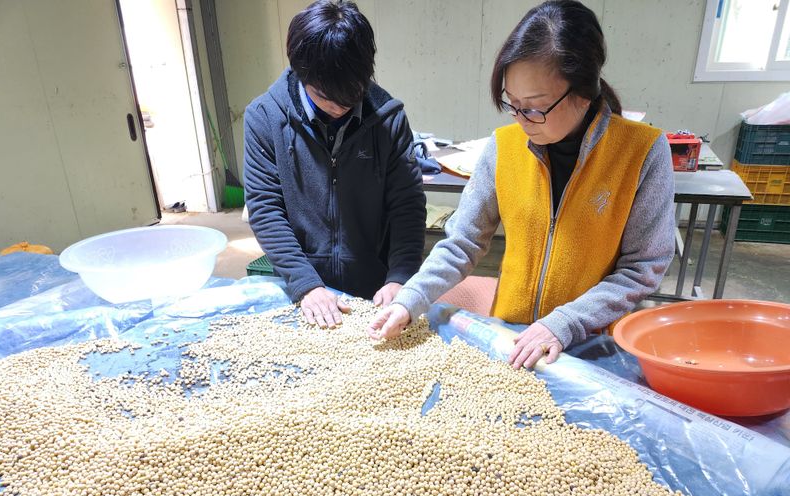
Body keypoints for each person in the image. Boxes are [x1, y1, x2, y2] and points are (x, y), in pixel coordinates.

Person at [369, 0, 675, 369]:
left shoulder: (641, 151)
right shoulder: (503, 147)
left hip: (589, 345)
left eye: (535, 106)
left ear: (584, 91)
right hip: (510, 336)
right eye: (512, 103)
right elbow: (462, 243)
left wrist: (564, 324)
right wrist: (411, 298)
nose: (522, 118)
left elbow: (643, 267)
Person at [243, 0, 426, 329]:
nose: (339, 106)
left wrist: (400, 276)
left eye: (351, 93)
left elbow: (407, 206)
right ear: (302, 74)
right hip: (302, 289)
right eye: (325, 95)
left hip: (375, 286)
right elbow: (265, 207)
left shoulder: (389, 118)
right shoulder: (265, 117)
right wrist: (306, 285)